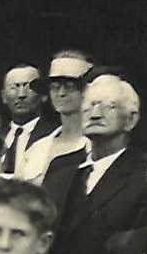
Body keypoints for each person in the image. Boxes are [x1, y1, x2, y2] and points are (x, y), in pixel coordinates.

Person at [43, 73, 147, 254]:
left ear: (131, 119)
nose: (95, 113)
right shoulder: (61, 168)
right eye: (90, 105)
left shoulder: (146, 174)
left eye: (110, 106)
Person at [14, 51, 92, 184]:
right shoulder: (37, 149)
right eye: (55, 87)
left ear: (87, 90)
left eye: (70, 87)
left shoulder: (93, 146)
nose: (61, 93)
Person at [0, 64, 59, 177]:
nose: (21, 95)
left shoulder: (55, 135)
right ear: (3, 96)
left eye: (29, 87)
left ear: (44, 95)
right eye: (14, 87)